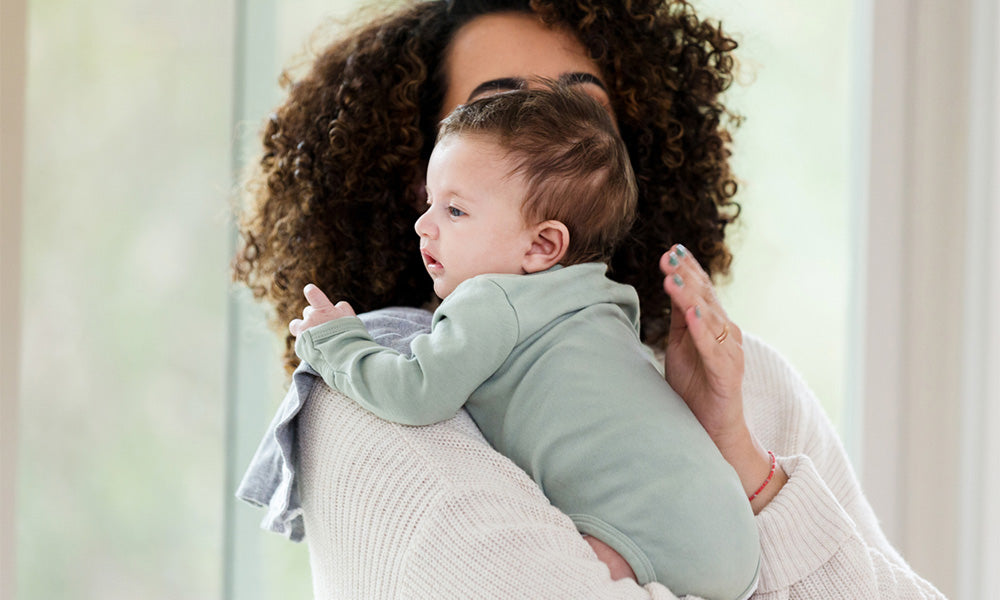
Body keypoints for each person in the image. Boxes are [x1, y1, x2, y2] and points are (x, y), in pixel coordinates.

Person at [234, 0, 947, 597]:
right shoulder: (360, 400)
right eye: (500, 112)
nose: (547, 131)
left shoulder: (745, 379)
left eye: (579, 110)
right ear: (416, 169)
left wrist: (743, 457)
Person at [287, 86, 761, 599]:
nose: (423, 226)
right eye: (430, 203)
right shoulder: (608, 300)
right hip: (734, 533)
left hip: (639, 535)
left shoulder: (492, 298)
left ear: (542, 244)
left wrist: (337, 342)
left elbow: (415, 391)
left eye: (455, 211)